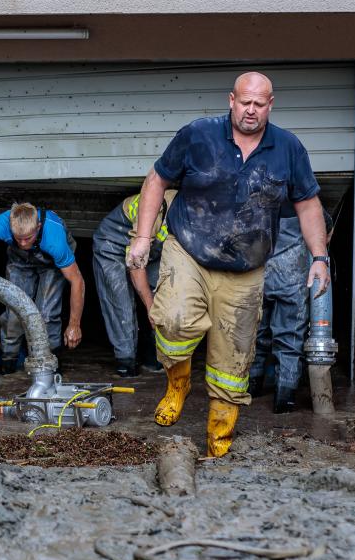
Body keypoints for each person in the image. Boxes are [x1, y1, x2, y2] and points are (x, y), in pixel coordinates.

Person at [127, 71, 330, 458]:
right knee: (173, 319)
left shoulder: (289, 148)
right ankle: (178, 384)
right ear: (231, 101)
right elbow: (157, 180)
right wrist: (142, 237)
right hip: (189, 252)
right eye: (245, 102)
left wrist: (319, 257)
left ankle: (218, 442)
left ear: (271, 105)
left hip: (245, 270)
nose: (251, 111)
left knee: (232, 363)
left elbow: (307, 204)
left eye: (259, 104)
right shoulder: (197, 135)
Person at [0, 203, 85, 374]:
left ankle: (50, 365)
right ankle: (8, 363)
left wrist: (74, 324)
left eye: (28, 238)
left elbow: (77, 281)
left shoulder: (54, 239)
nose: (23, 243)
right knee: (14, 313)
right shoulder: (0, 225)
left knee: (46, 315)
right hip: (20, 262)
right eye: (18, 238)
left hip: (52, 264)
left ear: (38, 227)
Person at [249, 202, 333, 413]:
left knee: (253, 330)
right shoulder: (302, 197)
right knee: (290, 336)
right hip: (292, 276)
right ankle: (284, 398)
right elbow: (325, 228)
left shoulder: (252, 190)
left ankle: (251, 386)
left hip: (255, 275)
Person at [91, 189, 177, 377]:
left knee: (163, 294)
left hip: (150, 252)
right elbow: (136, 266)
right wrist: (150, 307)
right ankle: (126, 363)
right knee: (121, 304)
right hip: (112, 246)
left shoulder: (190, 210)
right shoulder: (155, 207)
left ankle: (153, 359)